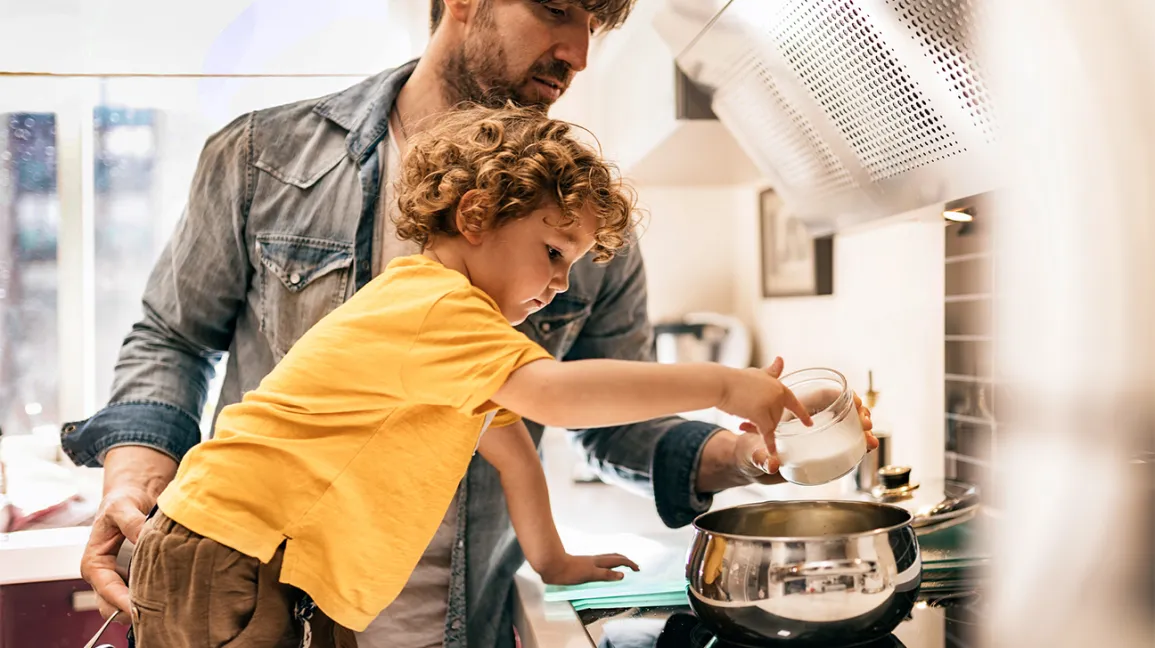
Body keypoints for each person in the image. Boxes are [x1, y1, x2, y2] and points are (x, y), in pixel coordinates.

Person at [61, 2, 877, 647]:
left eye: (592, 26)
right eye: (555, 8)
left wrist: (741, 455)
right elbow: (554, 396)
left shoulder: (560, 223)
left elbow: (519, 436)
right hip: (240, 556)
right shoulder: (418, 285)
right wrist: (728, 384)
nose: (579, 52)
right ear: (478, 216)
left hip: (352, 594)